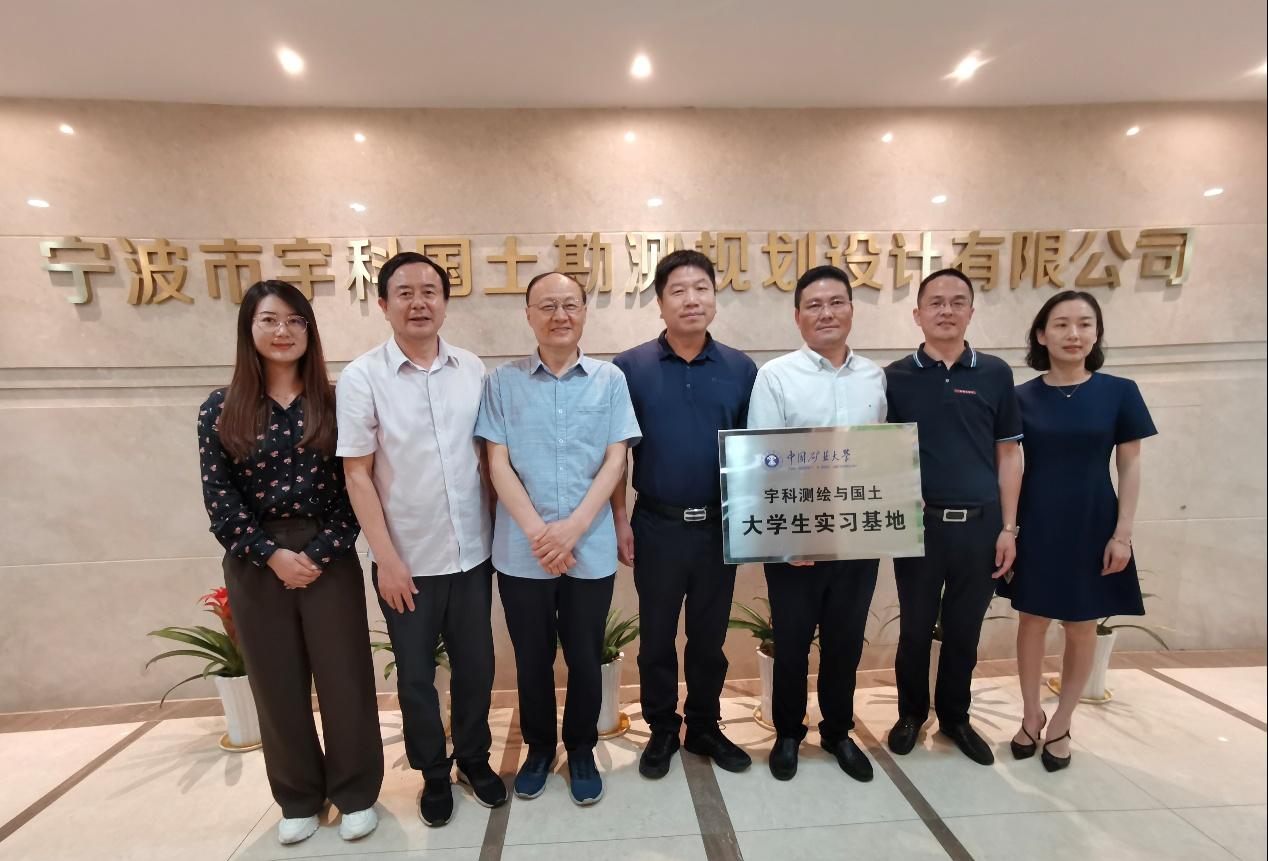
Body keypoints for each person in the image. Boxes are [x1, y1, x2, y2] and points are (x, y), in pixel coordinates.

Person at [197, 280, 382, 845]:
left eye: (295, 321)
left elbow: (358, 485)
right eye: (270, 320)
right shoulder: (220, 408)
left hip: (329, 554)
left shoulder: (336, 401)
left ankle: (355, 793)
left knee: (346, 678)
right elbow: (219, 499)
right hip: (256, 561)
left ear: (309, 330)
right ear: (249, 329)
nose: (283, 332)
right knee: (276, 685)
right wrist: (272, 554)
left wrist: (318, 553)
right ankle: (298, 798)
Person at [337, 251, 505, 828]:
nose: (418, 303)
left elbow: (486, 460)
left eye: (429, 291)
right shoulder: (362, 377)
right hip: (405, 561)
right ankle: (433, 772)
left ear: (445, 303)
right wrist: (386, 560)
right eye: (404, 293)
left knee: (477, 666)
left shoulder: (472, 369)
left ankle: (474, 759)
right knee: (414, 675)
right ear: (383, 304)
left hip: (473, 555)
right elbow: (357, 474)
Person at [475, 272, 641, 806]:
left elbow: (616, 460)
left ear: (584, 312)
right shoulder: (502, 382)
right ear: (528, 315)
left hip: (588, 547)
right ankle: (540, 749)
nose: (559, 315)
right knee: (532, 659)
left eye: (570, 304)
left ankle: (582, 747)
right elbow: (496, 462)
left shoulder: (610, 380)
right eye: (547, 305)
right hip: (521, 552)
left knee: (586, 656)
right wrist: (538, 534)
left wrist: (572, 528)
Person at [611, 249, 758, 779]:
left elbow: (757, 454)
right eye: (678, 290)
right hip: (656, 524)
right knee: (656, 636)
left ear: (714, 298)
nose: (691, 299)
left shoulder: (741, 368)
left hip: (720, 526)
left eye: (701, 288)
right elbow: (615, 454)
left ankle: (704, 725)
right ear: (659, 302)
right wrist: (620, 520)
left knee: (709, 637)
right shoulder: (629, 368)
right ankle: (661, 727)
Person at [999, 290, 1156, 772]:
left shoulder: (1119, 391)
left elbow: (1130, 466)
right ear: (1041, 335)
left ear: (1097, 333)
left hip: (1093, 521)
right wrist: (1009, 528)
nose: (1074, 334)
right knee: (1031, 619)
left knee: (1082, 625)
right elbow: (1010, 463)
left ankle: (1063, 722)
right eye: (1062, 324)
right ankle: (1031, 715)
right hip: (1037, 520)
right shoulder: (1020, 397)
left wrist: (1122, 534)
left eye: (1085, 324)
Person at [746, 265, 887, 782]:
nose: (826, 313)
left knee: (846, 641)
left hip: (858, 538)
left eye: (836, 302)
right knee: (792, 641)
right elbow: (763, 459)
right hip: (797, 546)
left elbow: (883, 456)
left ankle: (838, 731)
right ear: (798, 316)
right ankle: (788, 732)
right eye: (814, 305)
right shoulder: (776, 376)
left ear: (851, 309)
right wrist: (787, 540)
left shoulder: (875, 377)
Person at [884, 268, 1023, 766]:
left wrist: (1009, 528)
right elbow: (881, 451)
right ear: (917, 313)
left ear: (971, 312)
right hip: (919, 527)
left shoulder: (995, 374)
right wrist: (902, 494)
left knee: (964, 630)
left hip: (982, 526)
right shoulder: (894, 377)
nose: (946, 310)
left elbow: (1009, 454)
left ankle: (956, 717)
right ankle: (910, 714)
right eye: (936, 302)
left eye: (957, 301)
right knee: (915, 628)